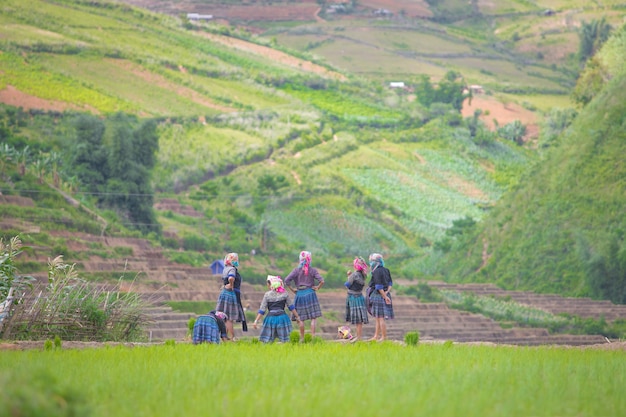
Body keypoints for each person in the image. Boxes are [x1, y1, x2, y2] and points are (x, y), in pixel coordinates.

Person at [284, 250, 324, 342]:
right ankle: (313, 338)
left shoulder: (296, 270)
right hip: (310, 293)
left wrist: (292, 289)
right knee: (313, 318)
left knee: (300, 318)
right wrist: (318, 287)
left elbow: (286, 280)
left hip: (299, 294)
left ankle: (302, 339)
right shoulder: (312, 270)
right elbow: (322, 281)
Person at [253, 275, 302, 343]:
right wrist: (297, 317)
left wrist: (256, 321)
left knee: (267, 342)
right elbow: (291, 307)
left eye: (268, 283)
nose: (267, 285)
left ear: (271, 284)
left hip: (270, 319)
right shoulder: (284, 293)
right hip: (282, 318)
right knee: (285, 341)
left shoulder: (267, 295)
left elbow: (262, 310)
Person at [216, 252, 247, 340]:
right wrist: (231, 284)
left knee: (225, 316)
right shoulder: (232, 269)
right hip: (230, 294)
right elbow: (231, 278)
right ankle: (232, 337)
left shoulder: (225, 269)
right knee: (229, 317)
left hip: (224, 293)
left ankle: (225, 337)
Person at [367, 253, 394, 341]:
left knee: (380, 318)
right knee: (378, 318)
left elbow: (378, 286)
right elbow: (390, 283)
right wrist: (387, 293)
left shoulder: (376, 272)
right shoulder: (386, 270)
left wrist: (384, 296)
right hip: (385, 294)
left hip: (379, 295)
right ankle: (376, 336)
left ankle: (383, 337)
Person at [344, 256, 369, 341]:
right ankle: (358, 336)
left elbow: (348, 285)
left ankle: (358, 338)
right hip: (360, 296)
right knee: (359, 319)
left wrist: (348, 276)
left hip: (353, 298)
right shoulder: (363, 275)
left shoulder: (354, 275)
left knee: (357, 320)